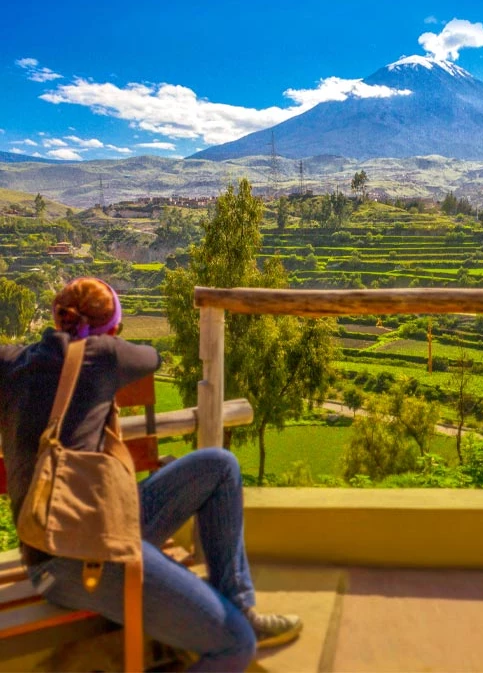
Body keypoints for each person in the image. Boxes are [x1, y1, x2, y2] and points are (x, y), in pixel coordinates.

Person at [0, 277, 302, 672]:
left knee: (219, 466)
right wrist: (109, 341)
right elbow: (151, 358)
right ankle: (236, 629)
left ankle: (239, 605)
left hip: (72, 536)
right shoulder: (105, 355)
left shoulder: (12, 363)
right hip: (73, 564)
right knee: (235, 646)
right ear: (112, 330)